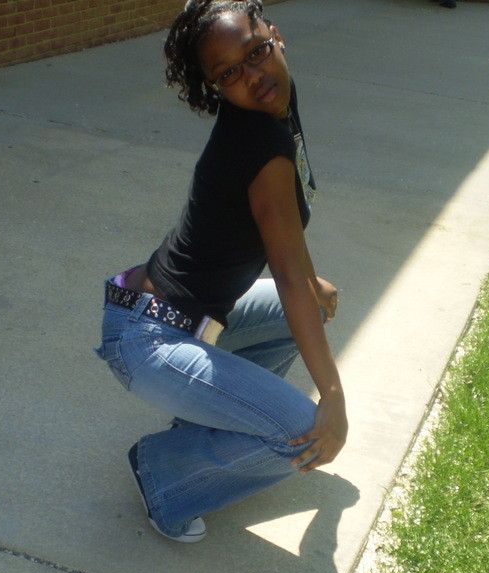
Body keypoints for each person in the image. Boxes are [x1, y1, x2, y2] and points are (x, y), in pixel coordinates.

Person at [97, 0, 347, 543]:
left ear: (275, 35)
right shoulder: (260, 143)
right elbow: (286, 274)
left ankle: (202, 424)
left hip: (170, 319)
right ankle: (165, 478)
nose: (252, 76)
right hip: (148, 337)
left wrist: (312, 283)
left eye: (256, 53)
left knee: (313, 305)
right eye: (229, 74)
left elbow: (289, 242)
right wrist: (332, 398)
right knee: (305, 432)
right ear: (214, 87)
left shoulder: (273, 108)